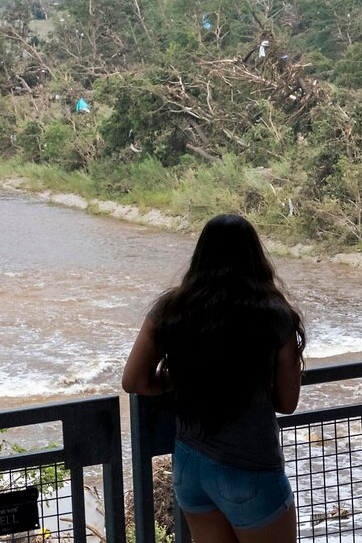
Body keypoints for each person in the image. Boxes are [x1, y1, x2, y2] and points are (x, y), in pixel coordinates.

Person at [122, 214, 306, 543]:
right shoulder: (274, 315)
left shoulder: (171, 308)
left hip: (191, 467)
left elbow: (135, 381)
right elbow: (287, 403)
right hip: (250, 467)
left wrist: (182, 377)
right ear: (255, 257)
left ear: (201, 255)